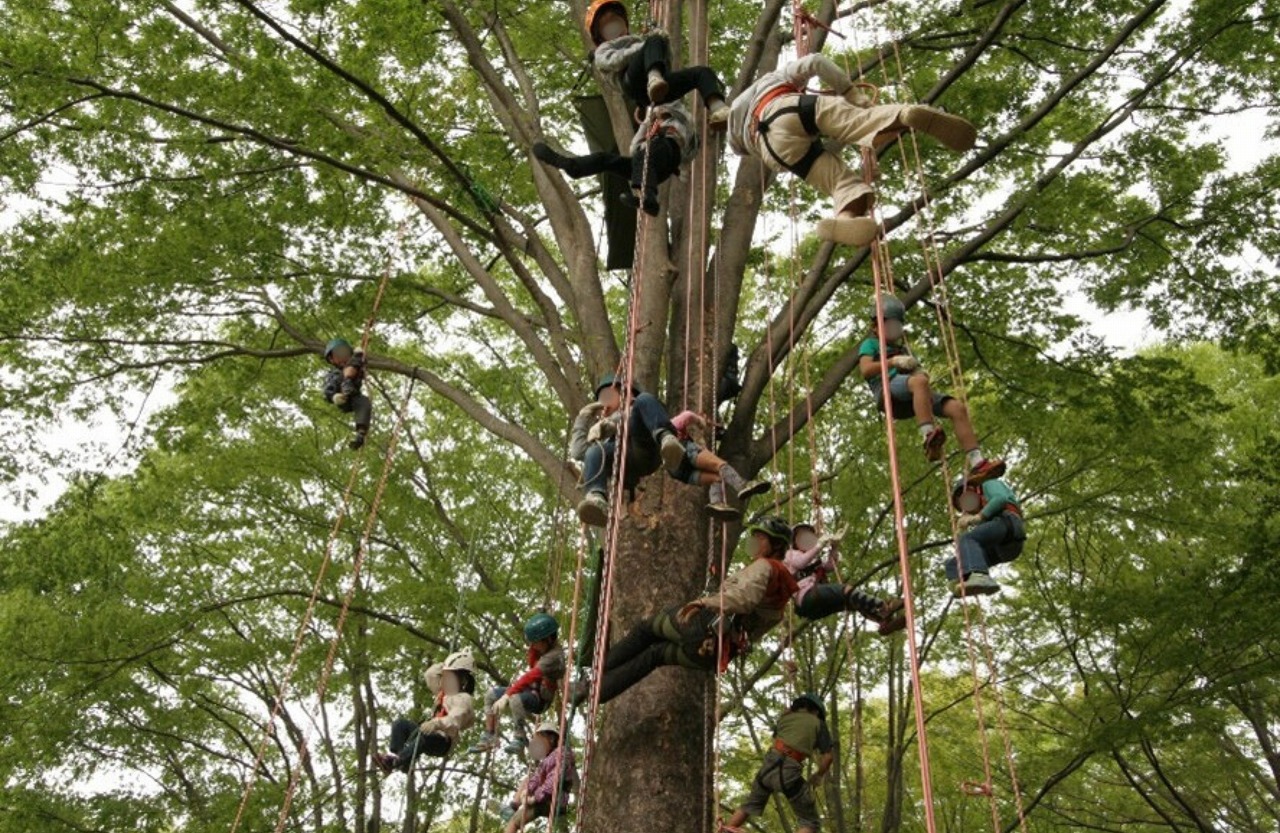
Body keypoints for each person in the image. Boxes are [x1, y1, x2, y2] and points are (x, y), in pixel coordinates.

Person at [727, 53, 976, 247]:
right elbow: (816, 61)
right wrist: (850, 93)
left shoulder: (736, 127)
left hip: (771, 149)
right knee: (862, 122)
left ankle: (845, 219)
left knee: (840, 183)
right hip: (785, 106)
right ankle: (905, 114)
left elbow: (740, 148)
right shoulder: (773, 78)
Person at [577, 515, 798, 704]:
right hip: (713, 655)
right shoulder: (780, 602)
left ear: (776, 545)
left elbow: (742, 598)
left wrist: (705, 603)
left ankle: (591, 676)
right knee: (655, 655)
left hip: (703, 625)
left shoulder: (765, 567)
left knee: (646, 630)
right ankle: (597, 691)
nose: (754, 542)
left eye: (760, 538)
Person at [857, 294, 1004, 480]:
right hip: (888, 389)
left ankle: (977, 462)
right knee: (919, 382)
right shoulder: (870, 344)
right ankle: (928, 436)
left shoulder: (904, 349)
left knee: (956, 407)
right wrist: (893, 362)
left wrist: (918, 369)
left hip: (912, 390)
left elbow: (919, 375)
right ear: (876, 326)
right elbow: (866, 370)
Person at [533, 102, 698, 217]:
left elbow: (684, 122)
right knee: (606, 159)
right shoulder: (651, 127)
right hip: (646, 165)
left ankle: (649, 198)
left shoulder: (679, 120)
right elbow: (634, 148)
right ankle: (573, 165)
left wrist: (661, 114)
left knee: (652, 148)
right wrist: (646, 124)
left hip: (668, 153)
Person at [586, 0, 730, 128]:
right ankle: (654, 79)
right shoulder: (604, 49)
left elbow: (666, 63)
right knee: (654, 40)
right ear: (601, 36)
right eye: (608, 27)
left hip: (658, 88)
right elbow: (613, 61)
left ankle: (718, 108)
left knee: (701, 72)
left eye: (616, 21)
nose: (614, 28)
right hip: (631, 80)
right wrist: (644, 46)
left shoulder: (641, 41)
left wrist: (663, 43)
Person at [569, 374, 687, 526]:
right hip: (623, 467)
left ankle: (666, 438)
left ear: (625, 394)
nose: (605, 402)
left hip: (643, 450)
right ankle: (596, 497)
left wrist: (613, 424)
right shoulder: (600, 432)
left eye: (608, 396)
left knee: (643, 400)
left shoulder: (641, 407)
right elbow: (578, 452)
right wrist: (583, 417)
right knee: (594, 451)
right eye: (602, 399)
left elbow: (630, 415)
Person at [721, 693, 834, 833]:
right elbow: (828, 757)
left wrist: (786, 714)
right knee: (810, 823)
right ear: (816, 711)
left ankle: (727, 830)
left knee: (748, 806)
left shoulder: (785, 718)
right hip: (789, 772)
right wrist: (819, 775)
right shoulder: (818, 723)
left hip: (768, 767)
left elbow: (778, 737)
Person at [786, 522, 906, 635]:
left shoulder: (813, 559)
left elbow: (830, 566)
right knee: (845, 590)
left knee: (851, 602)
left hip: (815, 603)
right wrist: (819, 546)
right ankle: (882, 606)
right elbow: (800, 562)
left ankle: (882, 622)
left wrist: (834, 547)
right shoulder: (790, 554)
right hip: (807, 596)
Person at [473, 613, 566, 755]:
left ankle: (520, 737)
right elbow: (531, 663)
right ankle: (489, 735)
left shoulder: (554, 656)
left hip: (541, 698)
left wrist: (507, 695)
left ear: (548, 639)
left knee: (514, 699)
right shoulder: (542, 648)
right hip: (530, 690)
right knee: (491, 695)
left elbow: (531, 675)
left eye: (535, 642)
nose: (533, 646)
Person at [375, 651, 476, 775]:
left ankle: (397, 761)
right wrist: (446, 665)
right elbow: (430, 675)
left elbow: (455, 718)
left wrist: (435, 723)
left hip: (443, 741)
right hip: (428, 731)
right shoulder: (443, 693)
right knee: (399, 724)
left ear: (462, 681)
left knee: (424, 738)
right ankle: (400, 759)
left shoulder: (463, 699)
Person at [669, 409, 770, 520]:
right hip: (683, 451)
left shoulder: (687, 435)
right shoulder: (674, 425)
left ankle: (716, 502)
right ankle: (741, 485)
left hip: (678, 471)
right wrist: (699, 420)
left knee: (717, 478)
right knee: (720, 465)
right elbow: (687, 415)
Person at [946, 474, 1026, 596]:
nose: (967, 509)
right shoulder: (983, 514)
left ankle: (980, 576)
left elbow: (1000, 498)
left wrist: (978, 517)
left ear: (970, 490)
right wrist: (963, 528)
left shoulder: (988, 485)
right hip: (1001, 548)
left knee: (968, 539)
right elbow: (977, 540)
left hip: (1007, 523)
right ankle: (961, 585)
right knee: (954, 563)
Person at [499, 721, 579, 833]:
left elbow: (553, 781)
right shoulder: (547, 760)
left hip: (552, 800)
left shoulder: (560, 753)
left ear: (551, 739)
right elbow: (536, 779)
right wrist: (527, 791)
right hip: (546, 800)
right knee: (528, 780)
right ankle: (513, 806)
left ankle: (513, 809)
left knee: (514, 822)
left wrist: (534, 798)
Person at [322, 338, 372, 449]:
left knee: (364, 402)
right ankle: (345, 385)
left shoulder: (354, 365)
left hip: (354, 395)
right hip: (342, 396)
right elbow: (327, 389)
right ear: (331, 359)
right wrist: (333, 396)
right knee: (344, 374)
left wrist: (358, 355)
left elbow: (359, 364)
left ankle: (361, 433)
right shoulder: (334, 374)